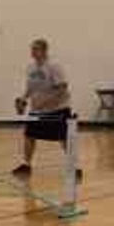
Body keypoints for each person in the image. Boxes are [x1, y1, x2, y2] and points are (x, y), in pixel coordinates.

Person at [14, 39, 78, 177]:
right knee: (29, 136)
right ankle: (26, 164)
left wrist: (48, 103)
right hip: (37, 110)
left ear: (44, 50)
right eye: (32, 49)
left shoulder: (54, 66)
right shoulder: (31, 67)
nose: (32, 52)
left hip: (58, 110)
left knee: (64, 138)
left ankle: (74, 166)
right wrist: (23, 99)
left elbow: (62, 88)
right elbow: (30, 87)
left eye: (35, 49)